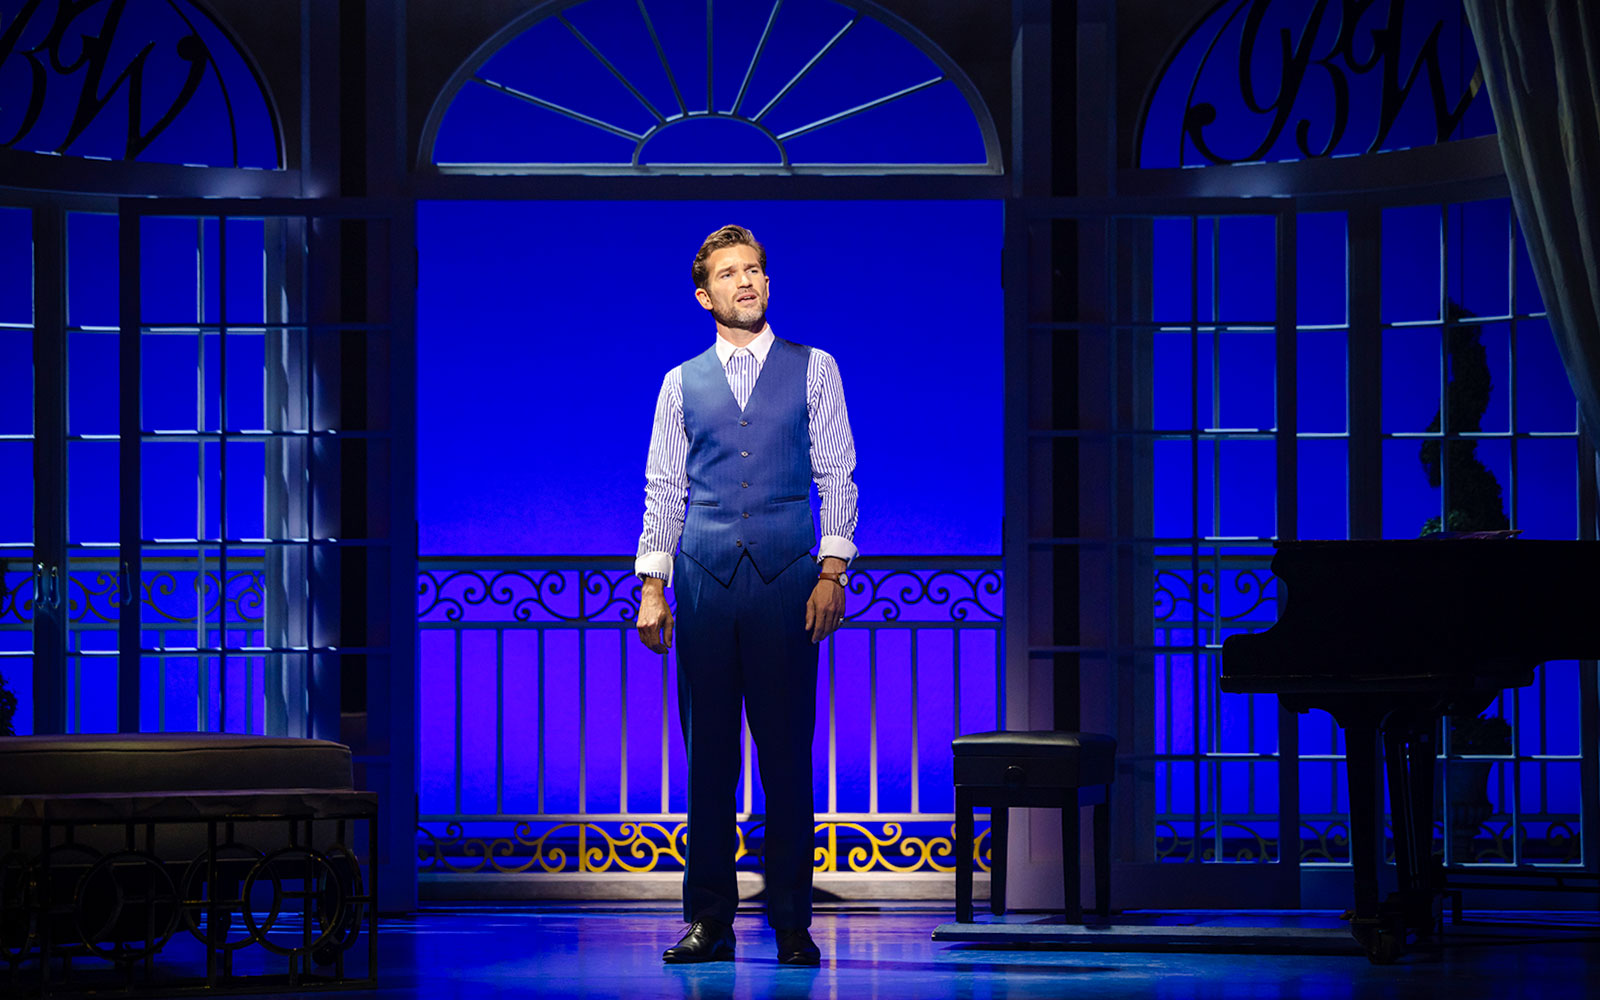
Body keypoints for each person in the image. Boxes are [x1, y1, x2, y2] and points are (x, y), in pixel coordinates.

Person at [634, 224, 859, 966]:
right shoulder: (680, 382)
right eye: (730, 273)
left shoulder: (814, 368)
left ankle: (792, 923)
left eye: (755, 269)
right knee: (708, 761)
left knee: (787, 758)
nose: (747, 281)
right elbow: (664, 487)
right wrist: (653, 586)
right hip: (704, 582)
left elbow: (837, 473)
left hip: (788, 583)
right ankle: (710, 920)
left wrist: (832, 572)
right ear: (705, 296)